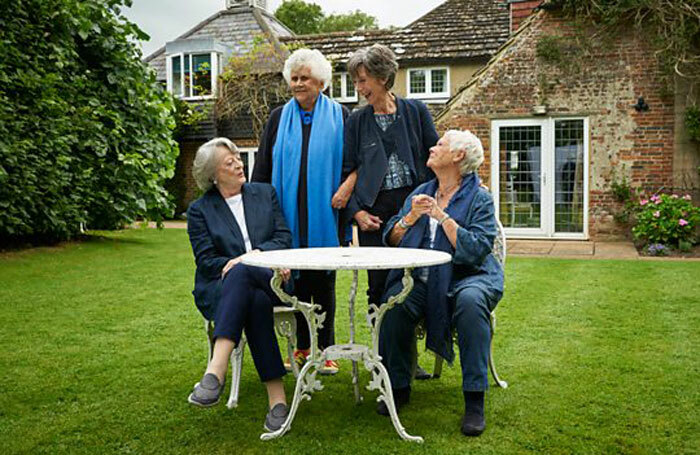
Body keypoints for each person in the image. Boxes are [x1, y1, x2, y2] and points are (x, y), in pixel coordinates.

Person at [378, 130, 504, 437]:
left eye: (441, 144)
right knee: (395, 302)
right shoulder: (422, 190)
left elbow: (475, 250)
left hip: (469, 275)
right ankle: (398, 385)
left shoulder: (480, 199)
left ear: (459, 156)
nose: (433, 148)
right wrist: (409, 218)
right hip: (423, 278)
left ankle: (474, 399)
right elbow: (392, 238)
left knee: (472, 303)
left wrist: (440, 215)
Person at [252, 48, 354, 375]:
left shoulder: (342, 116)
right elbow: (263, 169)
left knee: (322, 282)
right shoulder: (278, 118)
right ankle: (298, 348)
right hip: (286, 218)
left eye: (304, 78)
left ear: (321, 82)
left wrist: (346, 191)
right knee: (291, 284)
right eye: (293, 78)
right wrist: (260, 212)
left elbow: (354, 166)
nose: (297, 84)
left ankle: (324, 351)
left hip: (327, 216)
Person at [186, 137, 293, 432]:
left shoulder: (264, 193)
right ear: (213, 175)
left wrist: (252, 257)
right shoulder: (200, 210)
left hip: (271, 277)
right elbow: (207, 261)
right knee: (253, 299)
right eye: (228, 161)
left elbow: (283, 239)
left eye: (237, 156)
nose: (238, 163)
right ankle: (277, 399)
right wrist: (240, 264)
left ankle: (215, 371)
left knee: (245, 270)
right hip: (221, 287)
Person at [342, 43, 439, 310]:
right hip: (375, 213)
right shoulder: (356, 121)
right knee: (378, 287)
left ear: (383, 77)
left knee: (417, 280)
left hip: (414, 205)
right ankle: (378, 348)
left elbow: (435, 158)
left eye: (363, 81)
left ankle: (406, 345)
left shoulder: (415, 111)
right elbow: (346, 171)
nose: (359, 89)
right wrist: (357, 214)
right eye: (355, 82)